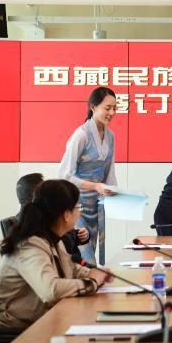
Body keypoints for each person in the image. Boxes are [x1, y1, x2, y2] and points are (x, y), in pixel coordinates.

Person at [0, 180, 111, 328]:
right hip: (12, 332)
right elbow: (51, 291)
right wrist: (92, 283)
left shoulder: (52, 239)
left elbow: (71, 269)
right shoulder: (29, 244)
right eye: (78, 207)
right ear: (66, 215)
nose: (79, 212)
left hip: (39, 322)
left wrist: (95, 273)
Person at [58, 87, 118, 265]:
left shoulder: (110, 136)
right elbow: (64, 175)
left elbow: (109, 173)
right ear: (93, 107)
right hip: (76, 206)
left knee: (90, 257)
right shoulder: (81, 134)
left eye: (115, 108)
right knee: (86, 259)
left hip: (96, 205)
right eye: (107, 108)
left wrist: (116, 193)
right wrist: (95, 186)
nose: (112, 113)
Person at [13, 173, 89, 263]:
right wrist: (74, 235)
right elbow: (63, 244)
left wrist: (79, 235)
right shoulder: (33, 222)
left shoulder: (39, 215)